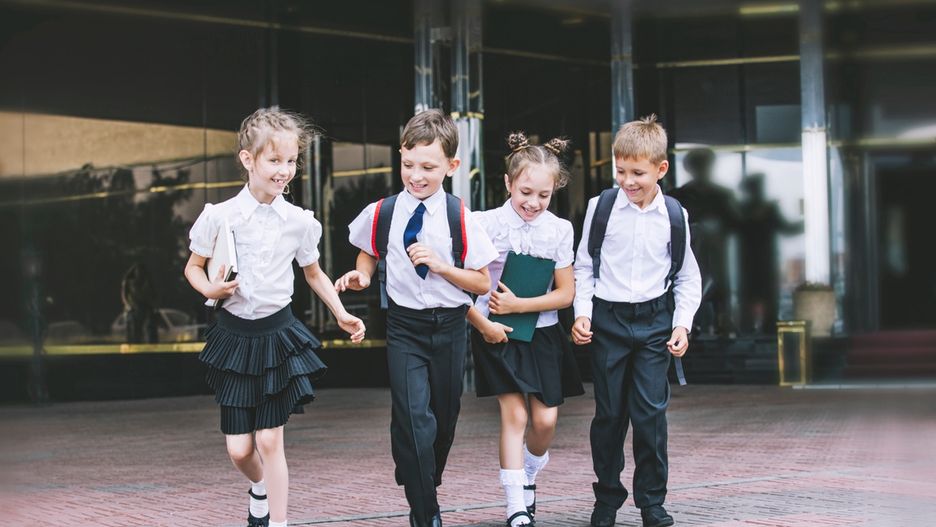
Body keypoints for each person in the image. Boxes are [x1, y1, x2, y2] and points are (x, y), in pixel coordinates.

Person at [184, 107, 366, 527]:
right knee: (239, 450)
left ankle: (278, 521)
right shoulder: (219, 215)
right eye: (275, 160)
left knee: (269, 440)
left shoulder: (299, 222)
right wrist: (209, 288)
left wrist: (341, 313)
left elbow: (314, 274)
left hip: (277, 336)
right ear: (248, 160)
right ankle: (260, 489)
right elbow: (193, 267)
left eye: (291, 161)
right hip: (232, 338)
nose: (285, 170)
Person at [334, 109, 498, 527]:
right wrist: (362, 275)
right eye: (409, 165)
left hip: (449, 327)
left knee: (443, 422)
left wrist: (443, 267)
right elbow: (369, 251)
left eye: (428, 167)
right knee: (413, 418)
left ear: (451, 166)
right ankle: (425, 512)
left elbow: (481, 284)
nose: (416, 175)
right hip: (404, 327)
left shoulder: (461, 217)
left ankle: (419, 471)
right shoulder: (383, 211)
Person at [572, 115, 701, 527]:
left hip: (653, 324)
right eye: (621, 171)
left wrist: (682, 324)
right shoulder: (601, 207)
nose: (628, 181)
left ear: (661, 169)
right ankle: (606, 499)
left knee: (650, 416)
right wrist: (582, 314)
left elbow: (686, 276)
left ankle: (652, 502)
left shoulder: (675, 216)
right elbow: (583, 267)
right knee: (609, 415)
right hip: (608, 321)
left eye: (638, 173)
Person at [467, 132, 585, 527]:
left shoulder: (560, 230)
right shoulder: (483, 224)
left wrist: (521, 304)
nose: (533, 203)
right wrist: (482, 322)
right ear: (508, 183)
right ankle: (516, 504)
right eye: (525, 192)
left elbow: (566, 294)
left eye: (544, 195)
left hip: (545, 333)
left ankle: (531, 473)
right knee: (514, 416)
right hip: (497, 332)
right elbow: (466, 284)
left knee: (545, 421)